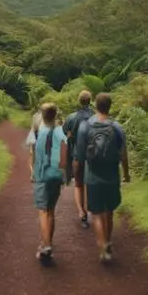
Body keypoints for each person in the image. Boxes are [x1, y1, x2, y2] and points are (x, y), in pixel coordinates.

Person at [73, 92, 130, 264]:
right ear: (110, 106)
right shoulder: (117, 127)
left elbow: (79, 156)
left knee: (97, 214)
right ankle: (108, 240)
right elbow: (124, 155)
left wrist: (76, 172)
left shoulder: (85, 126)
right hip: (112, 175)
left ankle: (103, 245)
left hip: (93, 176)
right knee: (109, 212)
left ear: (96, 106)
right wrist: (126, 174)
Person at [30, 102, 68, 264]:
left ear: (42, 115)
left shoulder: (38, 132)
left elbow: (33, 154)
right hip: (56, 175)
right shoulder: (60, 133)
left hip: (42, 176)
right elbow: (64, 157)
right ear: (55, 114)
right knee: (51, 210)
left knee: (43, 211)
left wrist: (32, 171)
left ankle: (46, 246)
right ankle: (48, 243)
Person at [63, 90, 95, 229]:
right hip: (94, 155)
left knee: (79, 185)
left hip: (77, 155)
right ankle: (91, 211)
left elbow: (66, 132)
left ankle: (82, 213)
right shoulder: (96, 117)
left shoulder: (72, 118)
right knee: (91, 185)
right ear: (90, 100)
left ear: (79, 100)